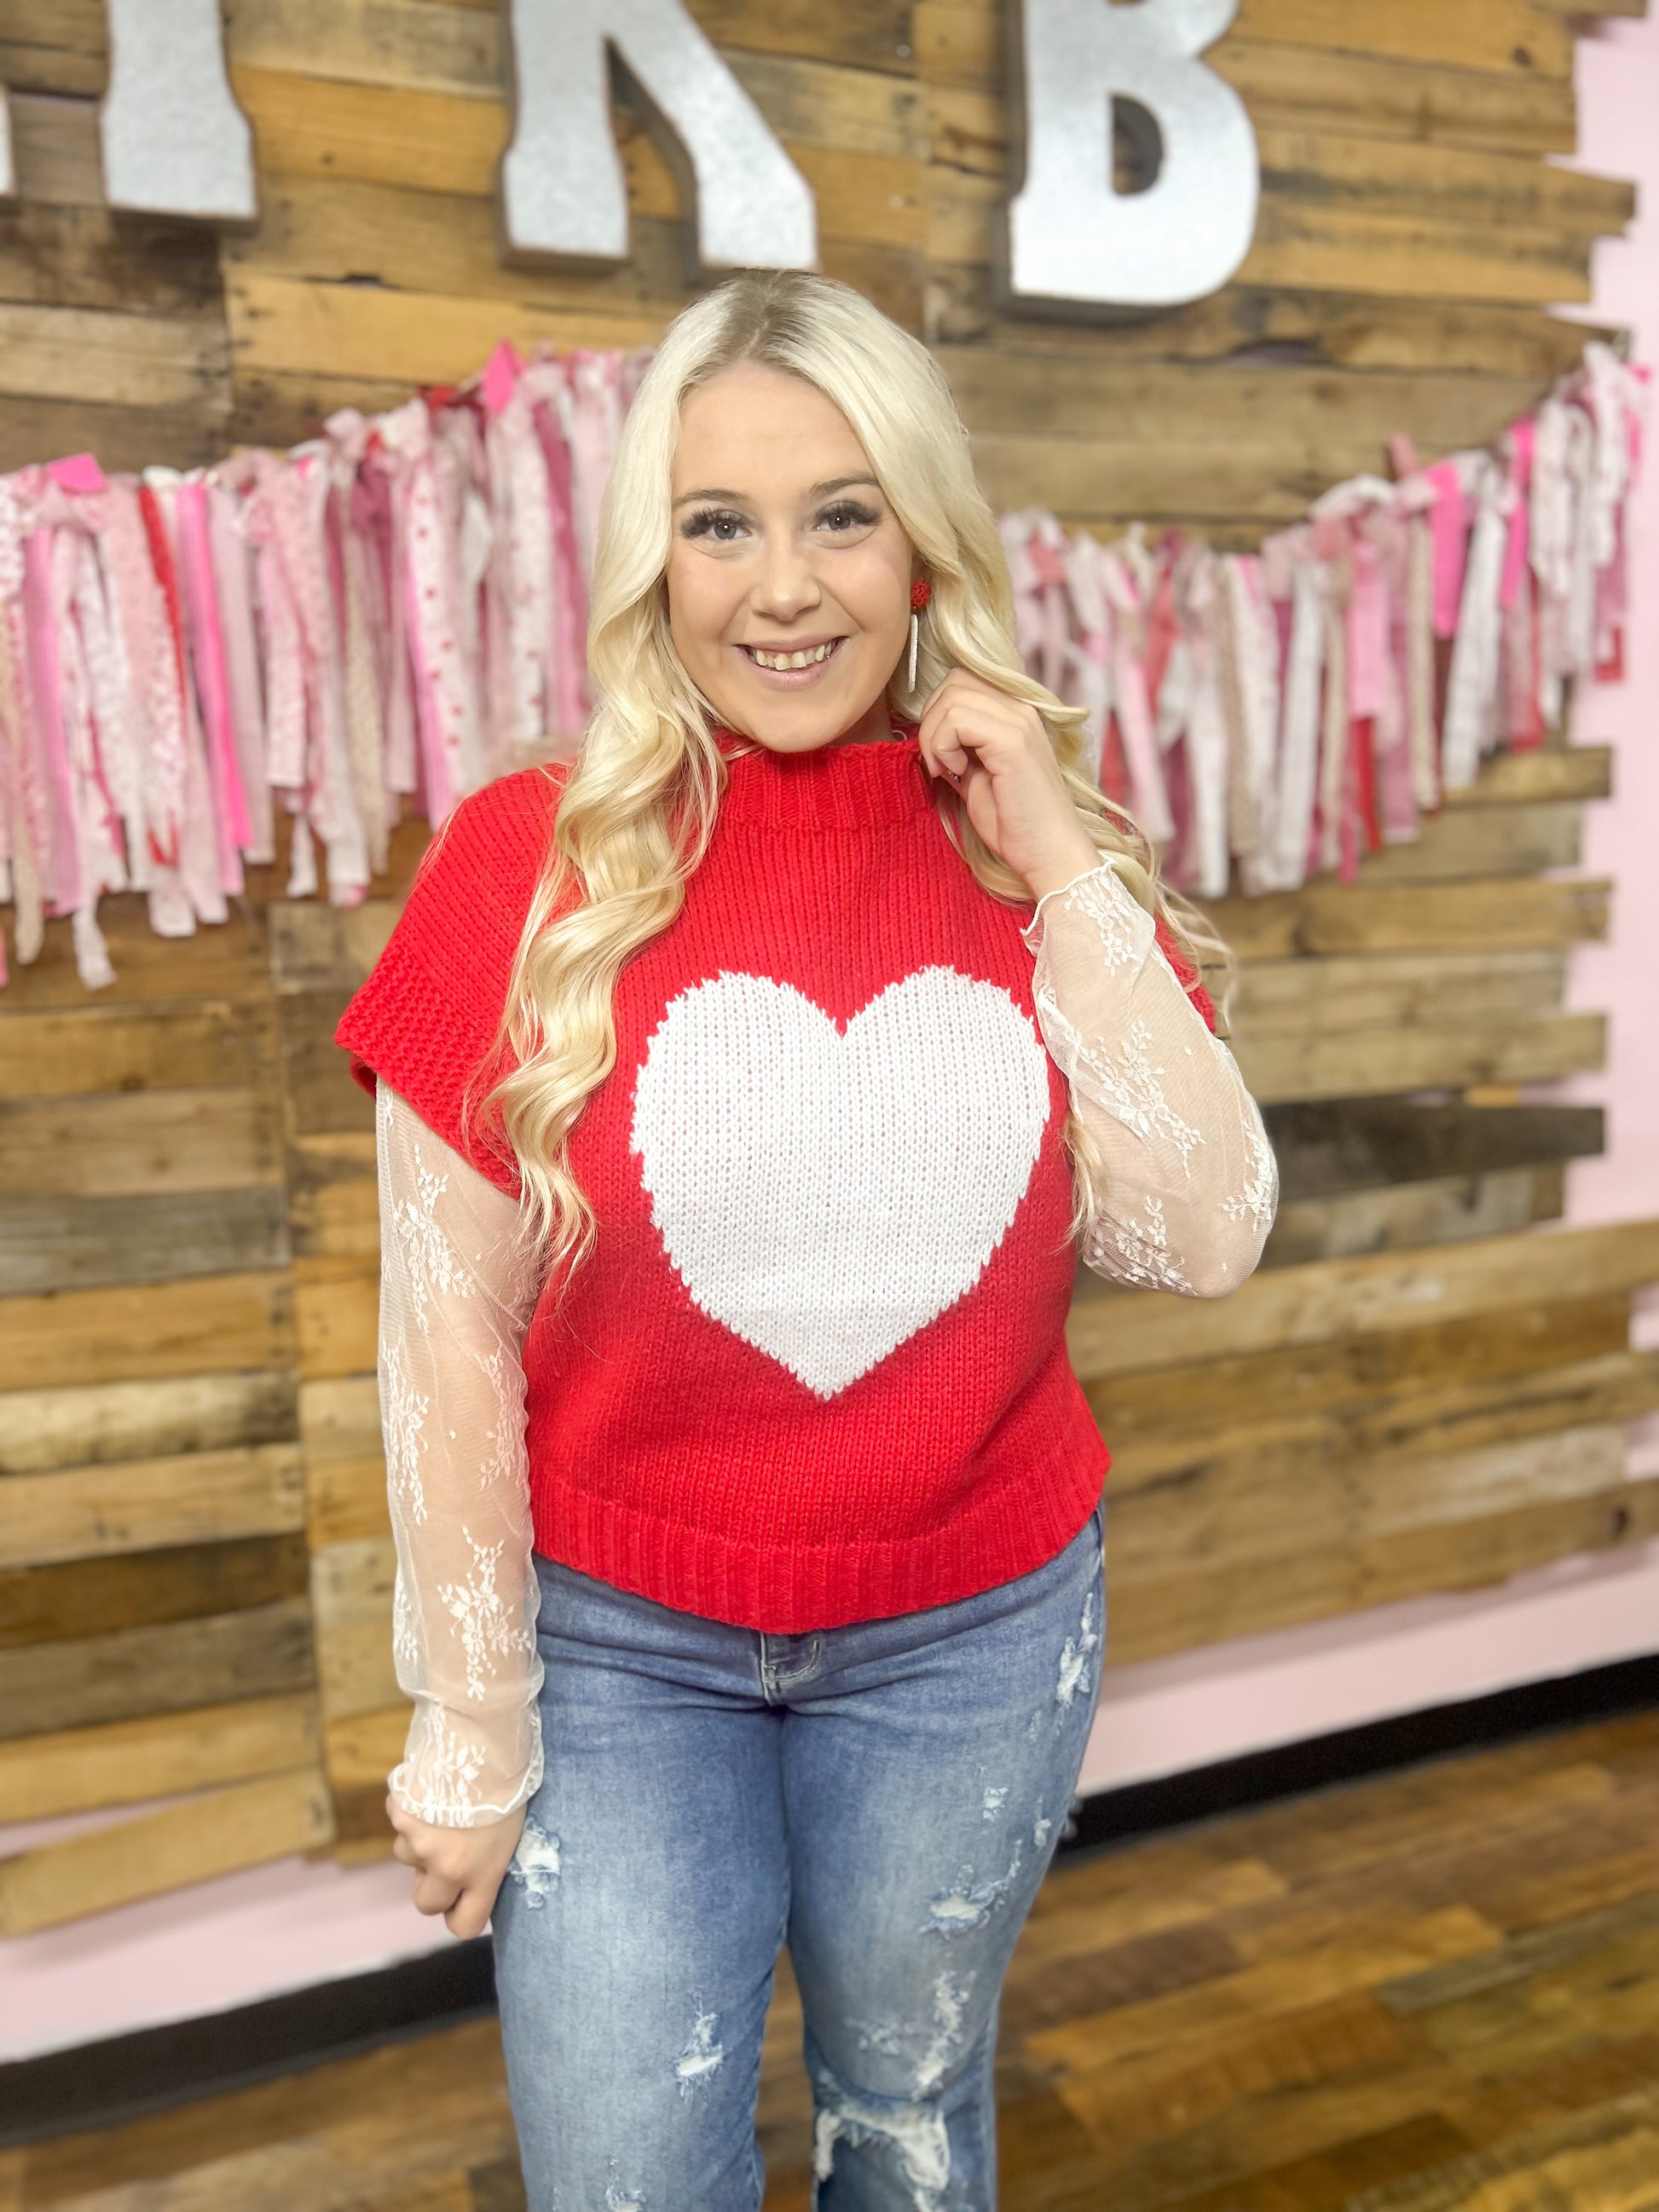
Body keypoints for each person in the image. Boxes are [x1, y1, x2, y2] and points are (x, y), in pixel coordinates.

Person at [336, 269, 1278, 2212]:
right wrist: (470, 1715)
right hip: (619, 1649)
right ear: (653, 562)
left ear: (920, 542)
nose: (782, 587)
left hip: (972, 1635)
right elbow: (442, 1335)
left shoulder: (1029, 851)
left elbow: (1204, 1236)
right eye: (719, 524)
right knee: (623, 2173)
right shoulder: (525, 860)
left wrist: (1058, 858)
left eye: (840, 515)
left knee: (907, 2123)